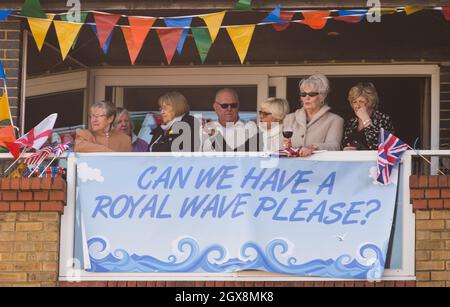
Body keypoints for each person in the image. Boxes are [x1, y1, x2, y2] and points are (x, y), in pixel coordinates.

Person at [283, 74, 344, 157]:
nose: (307, 98)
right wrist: (287, 147)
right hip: (292, 167)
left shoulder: (335, 120)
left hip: (319, 167)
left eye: (312, 94)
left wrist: (313, 147)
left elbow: (334, 146)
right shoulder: (289, 118)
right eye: (303, 94)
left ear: (322, 97)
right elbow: (280, 146)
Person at [342, 82, 395, 150]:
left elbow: (381, 147)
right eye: (354, 102)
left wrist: (365, 119)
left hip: (374, 160)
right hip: (353, 159)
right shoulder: (351, 123)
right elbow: (343, 144)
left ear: (370, 102)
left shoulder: (382, 119)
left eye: (361, 101)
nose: (357, 106)